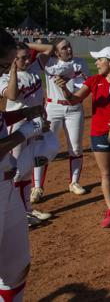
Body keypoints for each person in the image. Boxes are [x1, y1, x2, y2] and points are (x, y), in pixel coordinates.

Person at [0, 28, 48, 301]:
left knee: (17, 268)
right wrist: (24, 133)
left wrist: (23, 113)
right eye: (3, 65)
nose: (4, 72)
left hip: (7, 186)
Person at [58, 46, 110, 227]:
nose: (96, 63)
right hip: (99, 132)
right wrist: (64, 88)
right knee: (106, 174)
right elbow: (74, 100)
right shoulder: (95, 80)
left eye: (100, 59)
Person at [0, 43, 58, 226]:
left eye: (27, 56)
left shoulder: (33, 66)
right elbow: (12, 94)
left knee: (25, 172)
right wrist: (13, 69)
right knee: (15, 171)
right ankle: (15, 213)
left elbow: (50, 48)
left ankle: (26, 210)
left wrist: (24, 43)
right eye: (22, 58)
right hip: (17, 125)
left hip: (36, 121)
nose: (27, 60)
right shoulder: (5, 77)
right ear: (12, 60)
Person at [26, 38, 90, 198]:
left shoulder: (80, 63)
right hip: (53, 108)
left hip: (74, 108)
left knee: (75, 148)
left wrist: (70, 80)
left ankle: (74, 182)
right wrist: (24, 44)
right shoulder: (47, 62)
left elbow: (84, 85)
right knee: (44, 147)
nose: (69, 49)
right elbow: (44, 49)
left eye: (69, 46)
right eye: (64, 47)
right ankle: (37, 187)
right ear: (56, 51)